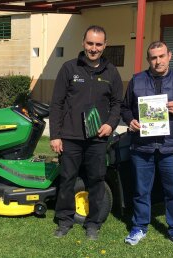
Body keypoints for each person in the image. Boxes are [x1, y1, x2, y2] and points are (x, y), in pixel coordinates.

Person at [120, 41, 173, 249]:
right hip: (142, 147)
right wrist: (130, 120)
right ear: (148, 59)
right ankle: (139, 226)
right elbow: (124, 108)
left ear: (169, 56)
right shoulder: (137, 80)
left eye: (162, 56)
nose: (158, 61)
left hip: (170, 148)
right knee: (140, 190)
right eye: (153, 57)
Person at [49, 25, 123, 240]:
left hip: (98, 138)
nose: (94, 48)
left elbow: (117, 103)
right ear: (83, 43)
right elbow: (57, 104)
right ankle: (64, 221)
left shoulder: (111, 72)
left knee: (96, 180)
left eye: (98, 44)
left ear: (105, 45)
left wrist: (110, 124)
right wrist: (55, 135)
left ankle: (93, 224)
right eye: (90, 43)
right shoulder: (69, 68)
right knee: (67, 179)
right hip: (70, 137)